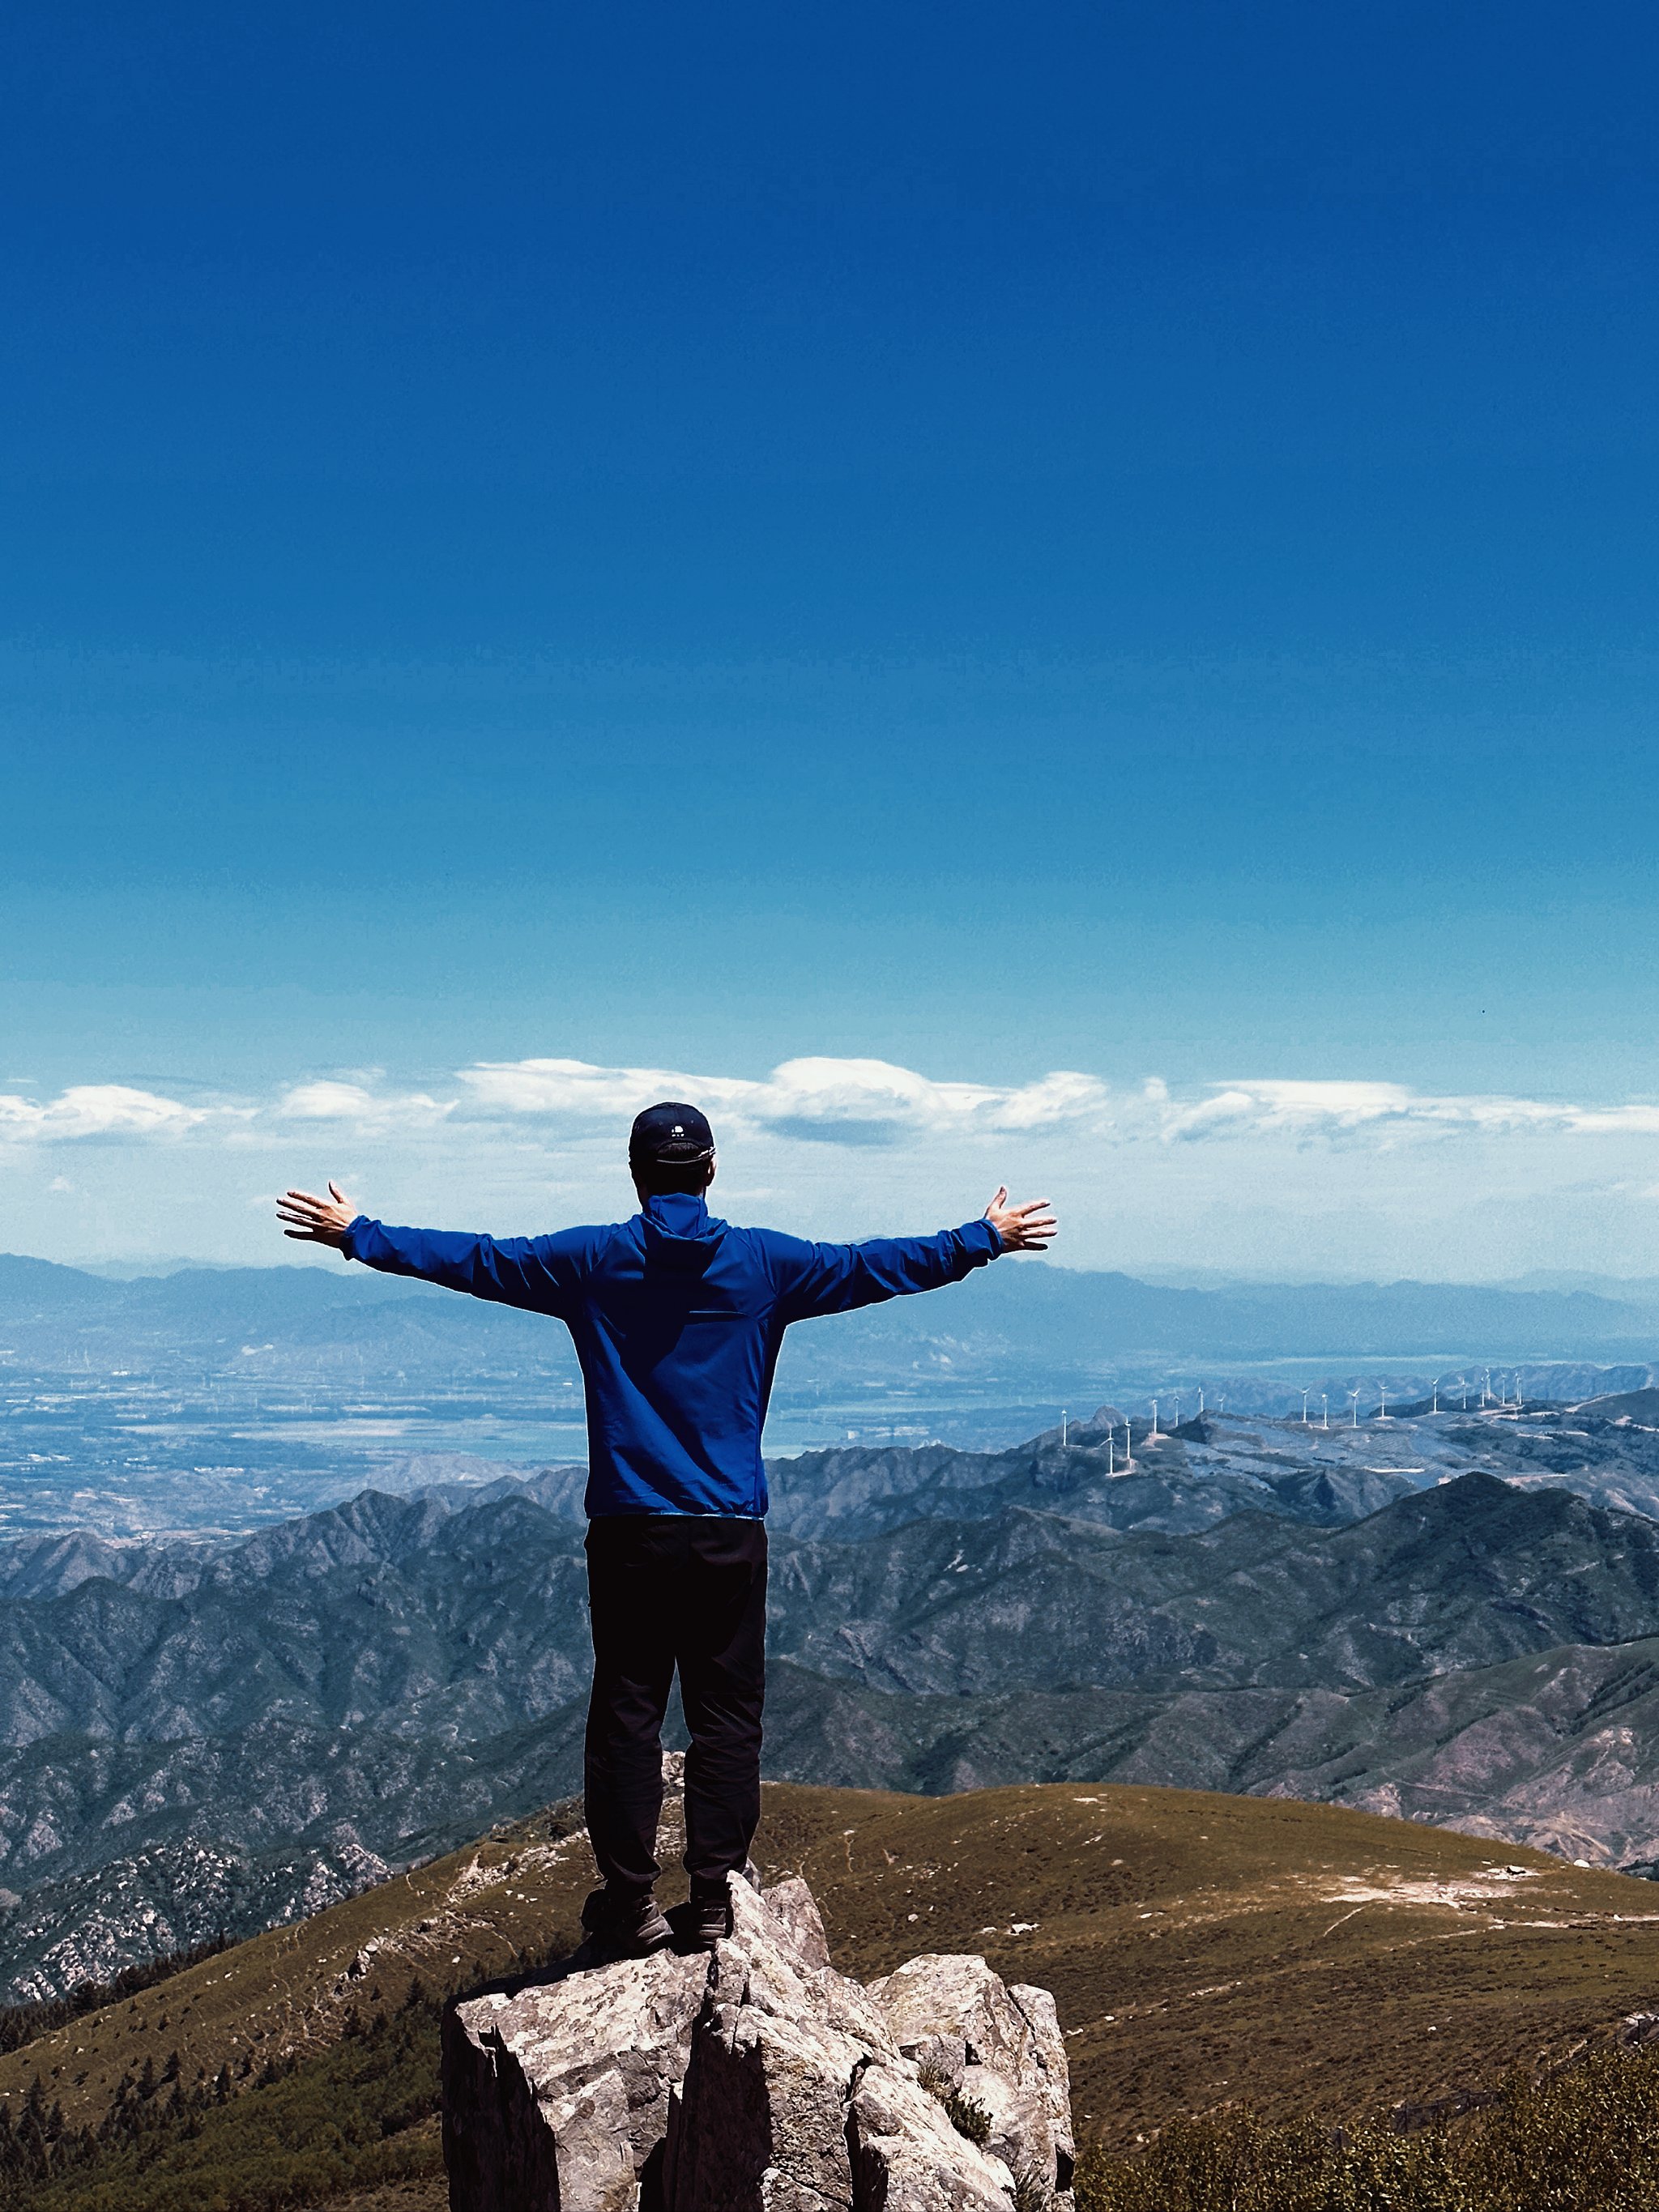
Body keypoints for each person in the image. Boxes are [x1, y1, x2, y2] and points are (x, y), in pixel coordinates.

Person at [276, 1103, 1057, 1955]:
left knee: (626, 1716)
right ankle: (718, 1893)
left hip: (629, 1530)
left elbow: (479, 1260)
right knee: (726, 1716)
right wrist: (984, 1237)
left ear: (635, 1172)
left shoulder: (591, 1261)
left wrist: (360, 1232)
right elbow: (874, 1266)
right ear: (711, 1172)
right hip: (727, 1527)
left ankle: (628, 1902)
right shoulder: (765, 1263)